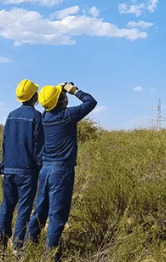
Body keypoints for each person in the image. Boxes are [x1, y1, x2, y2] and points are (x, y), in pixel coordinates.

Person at [27, 82, 97, 259]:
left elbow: (47, 106)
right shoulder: (68, 115)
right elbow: (91, 102)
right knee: (57, 214)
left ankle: (31, 244)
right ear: (61, 100)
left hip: (45, 170)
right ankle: (50, 255)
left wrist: (56, 93)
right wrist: (73, 91)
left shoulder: (45, 117)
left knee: (40, 209)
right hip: (61, 171)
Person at [0, 79, 44, 257]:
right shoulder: (36, 116)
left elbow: (5, 143)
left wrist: (3, 167)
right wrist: (41, 169)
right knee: (24, 208)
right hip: (27, 171)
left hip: (8, 170)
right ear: (33, 96)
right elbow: (38, 148)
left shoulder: (10, 115)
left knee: (6, 207)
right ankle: (18, 247)